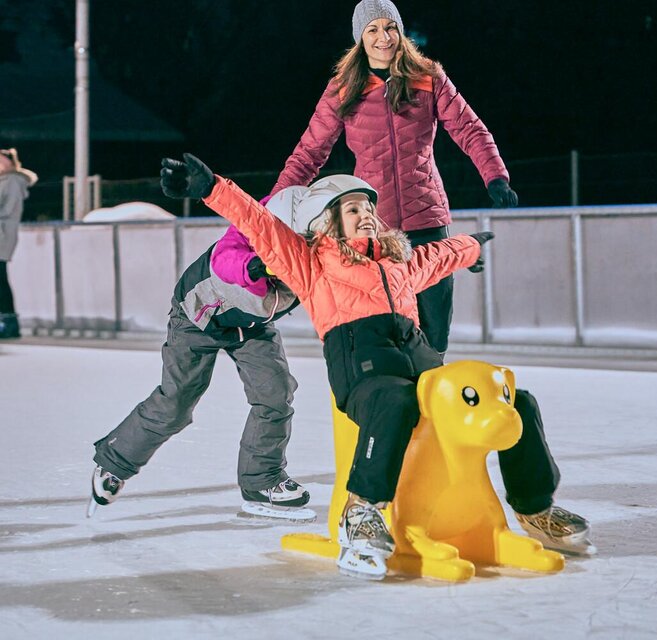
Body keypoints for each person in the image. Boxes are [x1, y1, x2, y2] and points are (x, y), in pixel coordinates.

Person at [161, 153, 593, 581]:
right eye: (352, 209)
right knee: (394, 401)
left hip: (419, 360)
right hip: (362, 366)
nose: (366, 215)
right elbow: (260, 225)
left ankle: (536, 508)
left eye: (368, 208)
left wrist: (470, 248)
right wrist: (211, 187)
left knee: (512, 400)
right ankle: (362, 511)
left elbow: (435, 257)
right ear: (326, 219)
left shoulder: (396, 260)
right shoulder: (311, 263)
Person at [266, 0, 518, 358]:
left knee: (434, 333)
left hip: (427, 218)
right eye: (372, 30)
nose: (383, 37)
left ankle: (430, 382)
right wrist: (272, 208)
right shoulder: (344, 89)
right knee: (386, 326)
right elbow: (309, 153)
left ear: (400, 32)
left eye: (390, 27)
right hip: (372, 229)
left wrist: (495, 177)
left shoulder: (428, 78)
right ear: (360, 39)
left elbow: (469, 129)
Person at [89, 189, 314, 521]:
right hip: (197, 317)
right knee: (176, 403)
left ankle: (261, 480)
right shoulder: (253, 227)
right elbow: (226, 260)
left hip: (251, 325)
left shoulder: (317, 247)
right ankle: (114, 461)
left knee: (276, 394)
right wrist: (256, 267)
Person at [0, 148, 37, 339]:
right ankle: (7, 321)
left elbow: (8, 208)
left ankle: (9, 323)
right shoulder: (5, 181)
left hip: (2, 235)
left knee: (0, 279)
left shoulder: (12, 180)